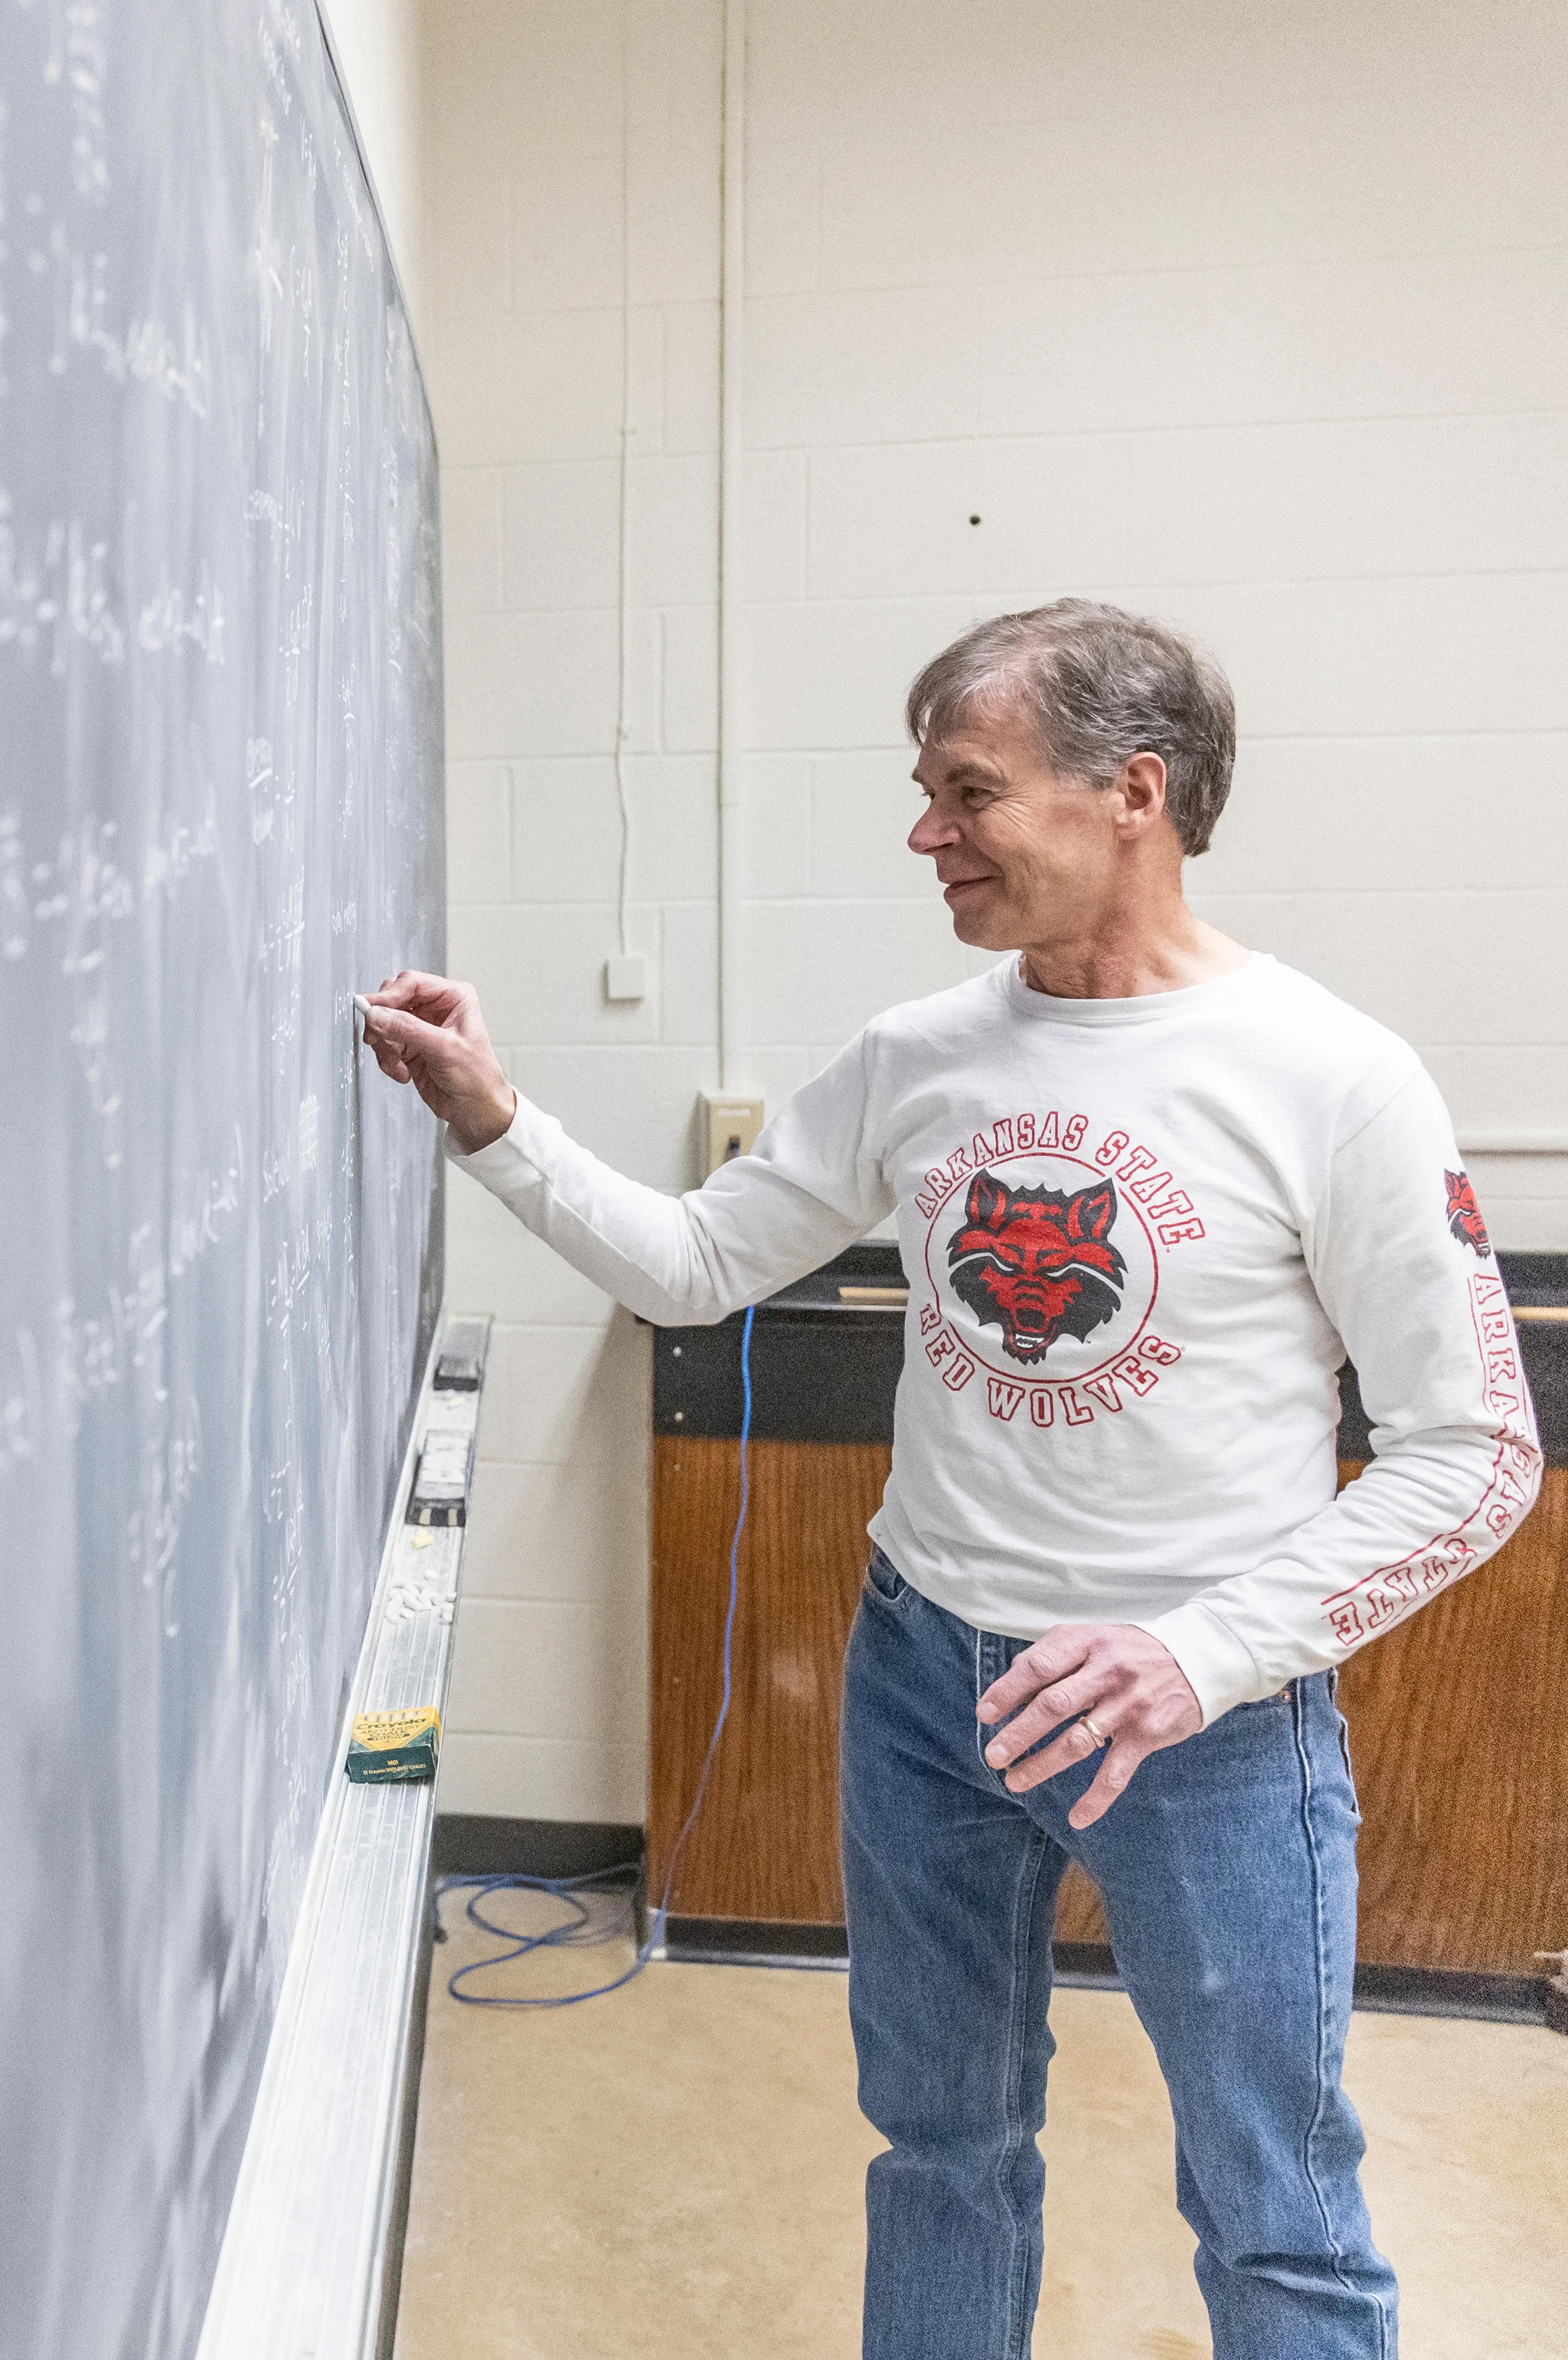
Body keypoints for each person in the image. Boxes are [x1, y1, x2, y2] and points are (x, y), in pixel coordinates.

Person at [358, 599, 1542, 2360]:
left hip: (1197, 1719)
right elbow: (692, 1265)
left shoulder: (1334, 1077)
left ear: (1126, 791)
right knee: (936, 2141)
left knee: (1272, 2205)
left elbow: (1475, 1454)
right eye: (923, 792)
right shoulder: (919, 1057)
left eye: (964, 791)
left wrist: (1196, 1651)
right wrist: (490, 1116)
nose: (926, 834)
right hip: (925, 1681)